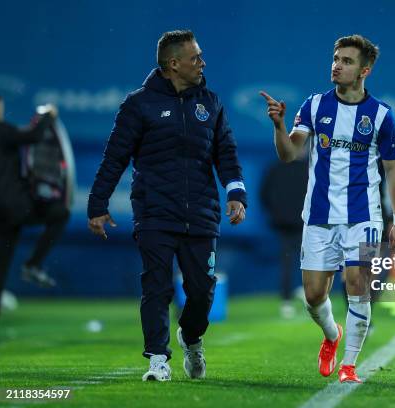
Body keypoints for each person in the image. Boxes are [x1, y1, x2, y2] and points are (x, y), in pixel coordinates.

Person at [87, 30, 247, 382]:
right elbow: (114, 158)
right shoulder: (138, 104)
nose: (202, 63)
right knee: (156, 286)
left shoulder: (212, 102)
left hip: (202, 214)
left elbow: (227, 153)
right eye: (195, 58)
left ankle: (191, 338)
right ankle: (158, 359)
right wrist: (97, 203)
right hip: (155, 212)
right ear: (173, 64)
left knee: (202, 292)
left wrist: (236, 193)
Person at [260, 34, 395, 383]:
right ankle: (332, 334)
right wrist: (279, 126)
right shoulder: (314, 106)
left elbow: (393, 171)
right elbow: (288, 154)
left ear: (364, 71)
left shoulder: (382, 116)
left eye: (347, 61)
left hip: (365, 215)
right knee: (313, 296)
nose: (337, 65)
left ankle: (349, 366)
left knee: (359, 283)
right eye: (336, 59)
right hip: (318, 218)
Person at [0, 97, 67, 317]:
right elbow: (33, 136)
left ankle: (32, 265)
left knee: (1, 265)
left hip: (7, 213)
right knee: (60, 213)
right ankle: (33, 264)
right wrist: (47, 115)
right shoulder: (1, 130)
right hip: (11, 208)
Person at [260, 149, 308, 318]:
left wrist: (276, 213)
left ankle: (288, 300)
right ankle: (305, 295)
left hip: (283, 223)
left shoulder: (275, 167)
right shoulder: (310, 168)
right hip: (304, 223)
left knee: (287, 261)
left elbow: (264, 194)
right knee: (308, 261)